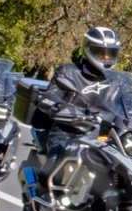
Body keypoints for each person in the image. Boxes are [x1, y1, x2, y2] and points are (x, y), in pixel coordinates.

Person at [24, 27, 124, 192]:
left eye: (110, 53)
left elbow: (126, 106)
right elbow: (50, 97)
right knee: (52, 171)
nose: (106, 58)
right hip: (68, 132)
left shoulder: (117, 81)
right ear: (89, 49)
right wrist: (65, 111)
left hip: (103, 136)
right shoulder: (69, 72)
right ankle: (42, 194)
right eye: (101, 53)